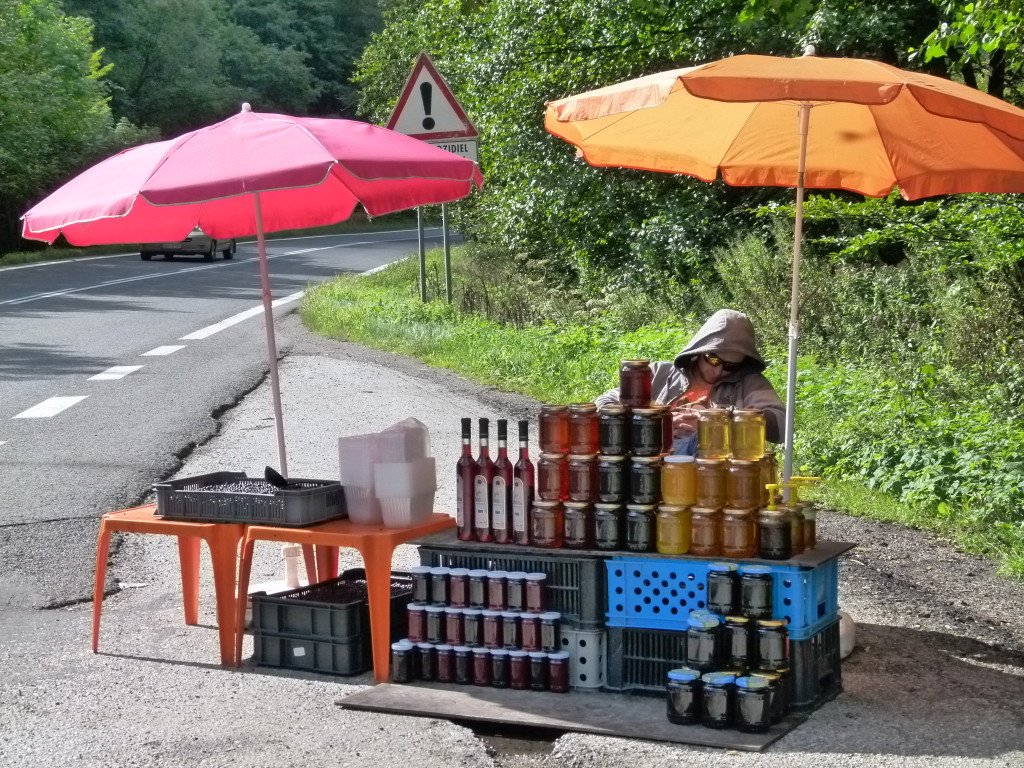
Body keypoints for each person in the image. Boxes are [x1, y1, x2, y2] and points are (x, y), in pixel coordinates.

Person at [595, 309, 785, 455]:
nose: (718, 370)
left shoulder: (749, 383)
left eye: (730, 366)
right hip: (652, 460)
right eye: (714, 359)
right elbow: (604, 403)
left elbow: (782, 424)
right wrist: (658, 424)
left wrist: (716, 422)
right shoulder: (661, 373)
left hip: (711, 470)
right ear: (700, 351)